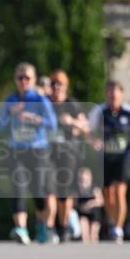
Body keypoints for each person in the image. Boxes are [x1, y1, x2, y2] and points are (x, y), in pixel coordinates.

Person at [0, 63, 57, 244]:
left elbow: (53, 124)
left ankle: (40, 225)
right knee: (19, 189)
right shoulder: (11, 100)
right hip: (17, 150)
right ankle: (21, 229)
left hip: (38, 149)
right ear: (16, 80)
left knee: (38, 191)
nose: (23, 81)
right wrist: (10, 112)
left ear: (34, 80)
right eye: (20, 78)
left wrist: (35, 119)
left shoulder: (40, 100)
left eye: (27, 78)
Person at [88, 81, 130, 243]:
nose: (112, 95)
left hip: (124, 156)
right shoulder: (99, 111)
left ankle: (118, 228)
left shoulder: (129, 111)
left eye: (115, 92)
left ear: (122, 93)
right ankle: (112, 220)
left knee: (120, 191)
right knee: (108, 194)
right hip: (106, 157)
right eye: (109, 92)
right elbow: (88, 130)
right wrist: (93, 142)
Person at [48, 70, 88, 242]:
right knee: (50, 188)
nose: (56, 86)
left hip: (69, 153)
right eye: (53, 83)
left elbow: (85, 126)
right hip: (48, 152)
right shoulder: (46, 103)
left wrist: (71, 121)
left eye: (60, 83)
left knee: (64, 192)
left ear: (66, 86)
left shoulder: (71, 103)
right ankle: (50, 227)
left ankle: (63, 225)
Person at [75, 166, 104, 243]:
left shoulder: (94, 188)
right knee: (85, 234)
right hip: (82, 211)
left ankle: (94, 238)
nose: (84, 178)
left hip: (94, 211)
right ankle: (85, 241)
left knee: (93, 236)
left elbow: (101, 201)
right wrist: (81, 207)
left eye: (86, 176)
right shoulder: (77, 189)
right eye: (82, 176)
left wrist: (91, 204)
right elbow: (74, 202)